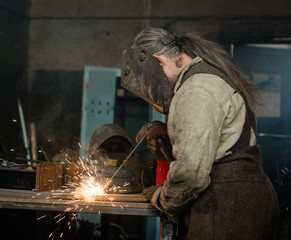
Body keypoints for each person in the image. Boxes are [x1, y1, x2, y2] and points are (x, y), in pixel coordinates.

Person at [121, 28, 279, 239]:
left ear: (158, 62)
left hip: (228, 207)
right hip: (236, 201)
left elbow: (190, 172)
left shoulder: (197, 89)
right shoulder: (206, 77)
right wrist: (170, 134)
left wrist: (163, 197)